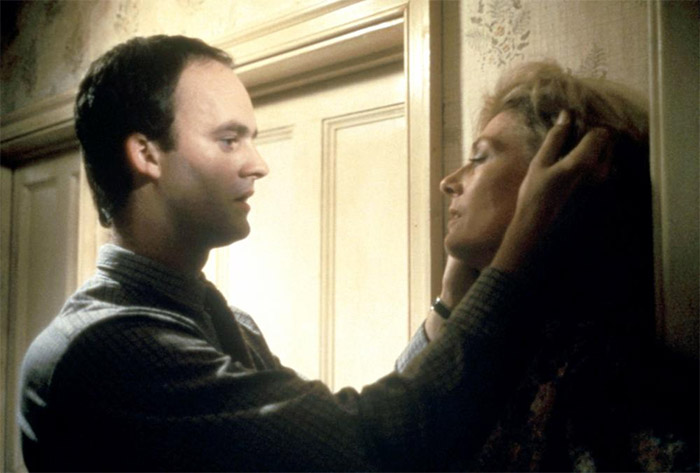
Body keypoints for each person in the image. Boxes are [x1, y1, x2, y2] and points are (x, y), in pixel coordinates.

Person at [18, 36, 612, 471]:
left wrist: (450, 304)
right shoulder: (103, 350)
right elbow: (364, 447)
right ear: (147, 155)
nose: (258, 164)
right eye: (229, 139)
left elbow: (341, 430)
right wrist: (518, 255)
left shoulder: (229, 324)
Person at [398, 61, 698, 471]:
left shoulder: (625, 391)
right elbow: (399, 429)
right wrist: (450, 299)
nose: (448, 181)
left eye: (480, 157)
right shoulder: (496, 351)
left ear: (563, 176)